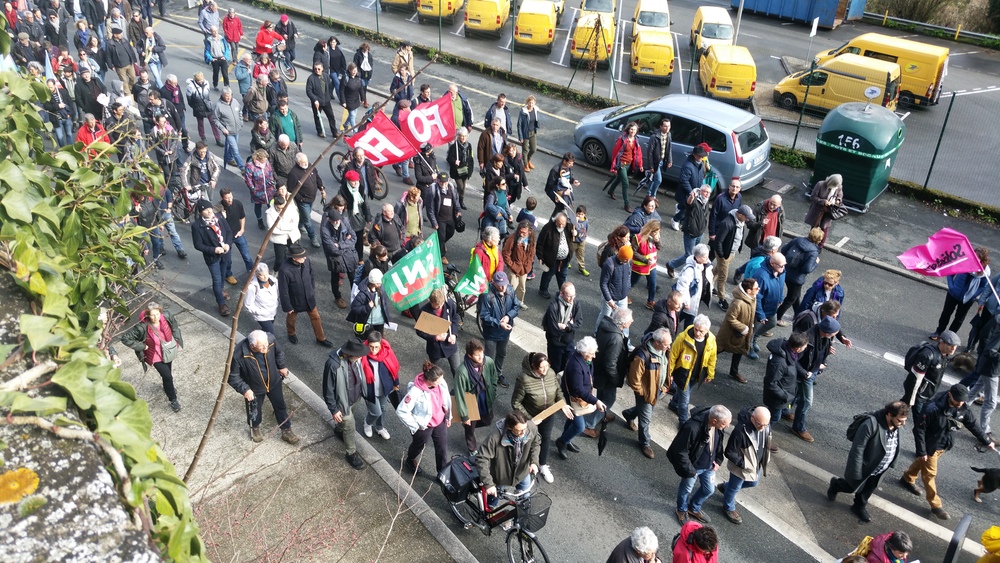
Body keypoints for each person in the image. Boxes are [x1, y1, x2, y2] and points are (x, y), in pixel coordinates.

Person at [899, 383, 996, 520]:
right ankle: (936, 505)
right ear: (950, 395)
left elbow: (972, 424)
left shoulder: (962, 407)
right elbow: (919, 429)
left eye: (963, 401)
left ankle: (907, 478)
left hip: (944, 445)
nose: (960, 404)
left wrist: (986, 441)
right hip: (931, 447)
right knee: (930, 475)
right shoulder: (932, 408)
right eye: (958, 400)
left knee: (923, 463)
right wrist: (922, 451)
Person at [827, 401, 910, 523]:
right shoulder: (870, 424)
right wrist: (856, 472)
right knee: (851, 487)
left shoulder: (896, 425)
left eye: (905, 420)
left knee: (868, 489)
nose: (903, 424)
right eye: (900, 420)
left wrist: (891, 462)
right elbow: (857, 449)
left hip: (880, 469)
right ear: (889, 414)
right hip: (865, 467)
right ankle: (836, 485)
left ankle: (859, 506)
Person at [228, 330, 300, 445]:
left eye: (266, 344)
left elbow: (279, 353)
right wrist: (245, 390)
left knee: (280, 406)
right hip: (254, 388)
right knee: (254, 410)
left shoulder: (270, 339)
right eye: (262, 346)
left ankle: (286, 430)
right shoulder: (239, 354)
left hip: (274, 382)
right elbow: (233, 377)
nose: (266, 348)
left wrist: (281, 366)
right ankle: (255, 427)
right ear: (252, 346)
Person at [512, 352, 572, 485]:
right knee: (526, 440)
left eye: (547, 366)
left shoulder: (551, 373)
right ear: (533, 366)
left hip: (548, 414)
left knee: (545, 439)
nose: (545, 370)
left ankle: (542, 465)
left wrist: (562, 404)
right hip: (530, 417)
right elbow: (516, 402)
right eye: (542, 367)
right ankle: (522, 466)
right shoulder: (523, 379)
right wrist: (530, 419)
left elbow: (558, 391)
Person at [667, 404, 731, 525]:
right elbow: (680, 451)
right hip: (694, 467)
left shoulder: (718, 427)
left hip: (709, 466)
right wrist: (691, 471)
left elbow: (718, 444)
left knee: (709, 490)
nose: (727, 427)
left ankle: (693, 508)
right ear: (714, 421)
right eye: (724, 424)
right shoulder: (692, 427)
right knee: (686, 490)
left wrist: (718, 460)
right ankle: (681, 510)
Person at [120, 301, 183, 412]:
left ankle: (167, 386)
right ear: (148, 315)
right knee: (168, 376)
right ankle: (173, 399)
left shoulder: (167, 316)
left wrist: (177, 340)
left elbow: (175, 327)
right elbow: (125, 338)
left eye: (157, 314)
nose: (156, 317)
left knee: (167, 374)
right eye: (153, 315)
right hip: (155, 355)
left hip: (168, 351)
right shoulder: (142, 326)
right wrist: (142, 346)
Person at [622, 328, 673, 459]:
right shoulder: (642, 355)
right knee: (646, 419)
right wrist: (643, 393)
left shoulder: (664, 350)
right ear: (657, 342)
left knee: (645, 410)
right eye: (666, 344)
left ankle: (629, 414)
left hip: (658, 390)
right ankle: (645, 443)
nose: (669, 347)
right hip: (646, 393)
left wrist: (665, 385)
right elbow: (634, 379)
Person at [791, 315, 841, 443]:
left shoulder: (825, 337)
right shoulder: (807, 339)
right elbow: (794, 359)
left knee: (797, 394)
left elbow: (820, 353)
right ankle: (798, 428)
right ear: (826, 332)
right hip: (806, 373)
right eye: (834, 333)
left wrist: (823, 360)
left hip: (811, 371)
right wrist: (805, 373)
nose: (835, 335)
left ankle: (786, 410)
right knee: (807, 402)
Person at [322, 338, 369, 470]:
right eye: (358, 355)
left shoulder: (354, 359)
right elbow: (327, 389)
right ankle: (351, 453)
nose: (360, 358)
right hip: (342, 405)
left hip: (355, 399)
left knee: (344, 424)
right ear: (348, 353)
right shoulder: (333, 364)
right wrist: (333, 409)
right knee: (350, 426)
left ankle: (338, 430)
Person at [397, 362, 452, 476]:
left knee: (442, 448)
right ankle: (410, 459)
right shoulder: (415, 391)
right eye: (438, 381)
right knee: (418, 446)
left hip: (439, 420)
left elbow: (446, 399)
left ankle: (442, 473)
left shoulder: (441, 382)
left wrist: (448, 416)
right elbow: (401, 410)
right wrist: (415, 426)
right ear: (430, 381)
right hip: (424, 425)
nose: (442, 381)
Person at [556, 337, 606, 459]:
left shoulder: (583, 359)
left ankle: (566, 440)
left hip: (578, 398)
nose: (594, 356)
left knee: (571, 420)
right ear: (583, 352)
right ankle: (562, 441)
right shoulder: (575, 365)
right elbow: (578, 389)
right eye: (591, 353)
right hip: (573, 398)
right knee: (579, 427)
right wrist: (596, 401)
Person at [720, 406, 771, 524]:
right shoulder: (740, 430)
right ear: (752, 417)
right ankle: (728, 507)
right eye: (759, 424)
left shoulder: (764, 425)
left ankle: (726, 488)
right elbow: (729, 452)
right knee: (734, 487)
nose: (762, 428)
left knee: (753, 483)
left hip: (756, 464)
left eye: (766, 425)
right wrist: (744, 464)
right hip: (742, 467)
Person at [588, 307, 633, 438]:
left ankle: (602, 414)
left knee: (602, 395)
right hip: (607, 375)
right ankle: (589, 424)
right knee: (609, 399)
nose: (632, 321)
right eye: (630, 320)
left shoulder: (605, 326)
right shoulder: (616, 338)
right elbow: (610, 363)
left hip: (599, 369)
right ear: (623, 323)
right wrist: (615, 379)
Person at [278, 244, 333, 347]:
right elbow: (283, 290)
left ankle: (321, 338)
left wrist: (312, 290)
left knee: (316, 317)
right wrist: (287, 306)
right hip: (295, 299)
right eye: (302, 256)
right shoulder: (284, 270)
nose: (305, 257)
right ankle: (291, 333)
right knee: (291, 319)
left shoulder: (306, 261)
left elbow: (311, 275)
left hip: (308, 297)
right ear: (294, 258)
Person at [930, 247, 991, 339]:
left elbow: (983, 286)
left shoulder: (985, 272)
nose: (973, 259)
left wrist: (973, 295)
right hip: (953, 294)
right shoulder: (962, 262)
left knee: (959, 319)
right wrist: (951, 287)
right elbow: (950, 273)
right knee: (946, 313)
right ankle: (939, 332)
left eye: (977, 258)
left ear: (982, 260)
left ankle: (949, 337)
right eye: (973, 256)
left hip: (967, 299)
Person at [668, 315, 717, 425]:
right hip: (682, 374)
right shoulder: (682, 338)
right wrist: (669, 373)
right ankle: (683, 422)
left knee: (684, 392)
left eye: (701, 331)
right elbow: (672, 356)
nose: (698, 333)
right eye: (696, 329)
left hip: (697, 375)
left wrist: (710, 374)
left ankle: (673, 404)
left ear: (707, 330)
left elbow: (712, 358)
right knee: (685, 400)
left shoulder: (711, 340)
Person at [453, 339, 500, 454]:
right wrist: (464, 416)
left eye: (482, 353)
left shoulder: (488, 361)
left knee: (488, 420)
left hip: (485, 397)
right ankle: (472, 448)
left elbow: (494, 377)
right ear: (469, 355)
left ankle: (468, 427)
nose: (481, 357)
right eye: (477, 355)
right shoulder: (462, 371)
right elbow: (459, 394)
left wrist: (493, 391)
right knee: (470, 426)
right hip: (471, 400)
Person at [190, 199, 233, 316]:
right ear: (201, 213)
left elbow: (229, 232)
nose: (209, 211)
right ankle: (221, 303)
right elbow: (198, 245)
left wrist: (228, 244)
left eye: (210, 208)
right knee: (217, 279)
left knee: (223, 275)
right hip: (212, 257)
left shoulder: (219, 217)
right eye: (205, 210)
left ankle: (221, 290)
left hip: (225, 253)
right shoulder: (197, 226)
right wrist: (213, 250)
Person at [901, 331, 959, 412]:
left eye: (955, 346)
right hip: (919, 394)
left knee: (900, 408)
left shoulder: (945, 355)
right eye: (950, 345)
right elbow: (915, 378)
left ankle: (890, 413)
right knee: (919, 418)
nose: (953, 348)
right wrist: (910, 399)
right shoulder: (927, 355)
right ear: (941, 342)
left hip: (927, 392)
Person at [775, 228, 823, 324]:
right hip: (797, 278)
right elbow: (807, 269)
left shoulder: (797, 240)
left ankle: (798, 313)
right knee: (791, 298)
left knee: (796, 295)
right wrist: (816, 263)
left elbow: (784, 250)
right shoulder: (813, 252)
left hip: (786, 271)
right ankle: (777, 317)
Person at [481, 271, 520, 388]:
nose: (503, 288)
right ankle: (487, 377)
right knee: (489, 358)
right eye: (500, 285)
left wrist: (508, 316)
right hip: (491, 333)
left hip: (505, 332)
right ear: (494, 283)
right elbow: (484, 316)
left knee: (502, 353)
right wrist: (499, 323)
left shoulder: (510, 290)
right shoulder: (486, 295)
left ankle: (498, 374)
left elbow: (516, 306)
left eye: (505, 284)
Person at [711, 205, 754, 312]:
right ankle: (721, 299)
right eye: (746, 217)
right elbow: (718, 241)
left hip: (731, 253)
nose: (747, 219)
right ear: (740, 215)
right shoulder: (727, 223)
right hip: (725, 254)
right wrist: (722, 255)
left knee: (718, 269)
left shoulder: (740, 221)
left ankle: (708, 283)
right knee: (723, 276)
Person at [717, 279, 758, 382]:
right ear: (749, 290)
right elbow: (730, 318)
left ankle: (734, 372)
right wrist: (743, 328)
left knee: (740, 350)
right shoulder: (738, 303)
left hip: (741, 334)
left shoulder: (752, 298)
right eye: (756, 288)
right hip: (730, 333)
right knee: (718, 348)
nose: (758, 289)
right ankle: (701, 362)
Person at [360, 331, 398, 440]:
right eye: (371, 347)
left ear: (381, 345)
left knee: (383, 409)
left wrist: (396, 383)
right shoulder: (362, 355)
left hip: (384, 388)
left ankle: (379, 427)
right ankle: (367, 423)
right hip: (370, 390)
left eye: (376, 347)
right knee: (376, 412)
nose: (373, 350)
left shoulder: (387, 352)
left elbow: (393, 368)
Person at [667, 185, 712, 277]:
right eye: (705, 192)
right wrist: (691, 197)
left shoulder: (706, 202)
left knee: (696, 254)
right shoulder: (695, 199)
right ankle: (671, 265)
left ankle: (693, 271)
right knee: (689, 255)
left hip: (700, 232)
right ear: (700, 191)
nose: (707, 194)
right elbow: (689, 203)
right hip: (690, 232)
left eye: (708, 192)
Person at [415, 287, 462, 377]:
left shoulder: (449, 304)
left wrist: (454, 334)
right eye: (436, 306)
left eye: (441, 304)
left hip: (450, 344)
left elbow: (455, 318)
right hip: (435, 348)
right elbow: (419, 331)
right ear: (430, 302)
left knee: (457, 371)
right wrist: (435, 337)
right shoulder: (424, 311)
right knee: (434, 374)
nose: (440, 307)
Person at [750, 253, 787, 353]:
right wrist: (760, 314)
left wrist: (781, 298)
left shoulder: (781, 271)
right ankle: (748, 345)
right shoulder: (761, 276)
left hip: (771, 307)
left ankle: (754, 338)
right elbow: (757, 297)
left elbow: (780, 286)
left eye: (784, 265)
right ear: (772, 264)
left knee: (772, 323)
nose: (783, 268)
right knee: (753, 328)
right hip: (761, 308)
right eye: (781, 266)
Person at [542, 282, 582, 373]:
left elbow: (579, 322)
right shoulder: (553, 307)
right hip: (556, 344)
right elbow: (553, 330)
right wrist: (571, 325)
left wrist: (566, 327)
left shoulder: (575, 303)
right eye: (569, 296)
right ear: (561, 293)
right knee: (554, 368)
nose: (572, 299)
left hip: (569, 342)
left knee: (568, 367)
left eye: (573, 295)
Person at [603, 121, 643, 213]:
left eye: (635, 130)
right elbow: (615, 152)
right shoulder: (622, 139)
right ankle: (627, 204)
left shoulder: (636, 140)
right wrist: (614, 167)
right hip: (621, 164)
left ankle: (611, 190)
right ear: (628, 129)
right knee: (626, 183)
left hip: (628, 164)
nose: (633, 131)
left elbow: (638, 153)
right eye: (631, 129)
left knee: (619, 179)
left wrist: (640, 165)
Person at [672, 244, 713, 329]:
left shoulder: (706, 266)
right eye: (704, 257)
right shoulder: (690, 270)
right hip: (689, 302)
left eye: (707, 255)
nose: (707, 258)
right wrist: (686, 302)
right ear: (697, 257)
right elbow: (682, 287)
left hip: (695, 301)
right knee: (681, 320)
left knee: (685, 320)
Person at [536, 212, 575, 300]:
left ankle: (564, 293)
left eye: (563, 224)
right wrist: (540, 257)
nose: (561, 226)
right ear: (555, 221)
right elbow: (540, 243)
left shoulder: (569, 227)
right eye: (559, 223)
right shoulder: (548, 228)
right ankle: (543, 289)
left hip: (564, 260)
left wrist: (576, 233)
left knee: (563, 277)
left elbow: (576, 238)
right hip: (551, 259)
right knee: (547, 276)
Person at [426, 172, 461, 263]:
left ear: (448, 181)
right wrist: (434, 222)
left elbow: (456, 200)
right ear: (437, 180)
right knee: (441, 237)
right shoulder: (433, 189)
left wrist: (458, 210)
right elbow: (429, 208)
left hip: (450, 217)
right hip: (440, 219)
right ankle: (442, 255)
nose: (443, 184)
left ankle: (438, 245)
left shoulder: (451, 187)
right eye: (441, 181)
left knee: (451, 232)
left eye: (445, 182)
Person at [598, 245, 634, 335]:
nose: (628, 261)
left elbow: (629, 275)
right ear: (620, 256)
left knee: (625, 319)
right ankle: (597, 333)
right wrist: (609, 299)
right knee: (605, 316)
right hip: (611, 297)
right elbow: (603, 283)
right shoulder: (609, 264)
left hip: (623, 297)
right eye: (626, 259)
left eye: (629, 259)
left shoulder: (628, 261)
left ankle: (625, 338)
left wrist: (627, 288)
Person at [672, 144, 709, 231]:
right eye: (700, 156)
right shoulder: (688, 165)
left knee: (686, 208)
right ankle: (675, 220)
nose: (702, 158)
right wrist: (691, 191)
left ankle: (681, 216)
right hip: (687, 193)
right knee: (686, 209)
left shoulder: (699, 164)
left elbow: (700, 177)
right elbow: (684, 181)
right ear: (695, 155)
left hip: (695, 191)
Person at [348, 269, 392, 341]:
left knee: (378, 339)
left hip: (379, 320)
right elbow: (354, 307)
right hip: (368, 322)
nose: (380, 284)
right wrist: (367, 307)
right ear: (373, 283)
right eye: (378, 283)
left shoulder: (380, 288)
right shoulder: (362, 294)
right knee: (370, 340)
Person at [804, 173, 845, 250]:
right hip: (817, 211)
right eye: (834, 185)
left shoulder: (839, 186)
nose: (836, 187)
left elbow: (840, 196)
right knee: (814, 229)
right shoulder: (820, 184)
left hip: (828, 212)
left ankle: (820, 247)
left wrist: (838, 200)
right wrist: (823, 201)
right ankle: (810, 244)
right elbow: (813, 197)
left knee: (824, 229)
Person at [219, 188, 253, 280]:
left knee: (247, 256)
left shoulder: (238, 203)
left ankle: (252, 273)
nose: (230, 200)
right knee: (228, 260)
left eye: (231, 197)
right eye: (227, 198)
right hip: (226, 238)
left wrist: (242, 229)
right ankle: (228, 275)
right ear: (222, 198)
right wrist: (222, 217)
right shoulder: (218, 208)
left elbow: (242, 217)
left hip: (238, 234)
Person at [502, 220, 535, 305]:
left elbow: (531, 254)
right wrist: (512, 265)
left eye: (524, 233)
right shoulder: (512, 238)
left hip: (524, 269)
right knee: (511, 287)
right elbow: (506, 253)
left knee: (522, 288)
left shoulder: (531, 240)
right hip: (514, 268)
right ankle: (507, 303)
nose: (521, 234)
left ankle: (519, 302)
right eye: (520, 232)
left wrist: (528, 266)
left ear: (529, 232)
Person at [631, 219, 661, 311]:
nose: (656, 234)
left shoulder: (655, 237)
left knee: (652, 284)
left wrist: (657, 241)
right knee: (632, 283)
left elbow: (659, 247)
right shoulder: (637, 238)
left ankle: (650, 301)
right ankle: (623, 295)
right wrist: (645, 260)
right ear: (650, 230)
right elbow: (633, 252)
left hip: (651, 266)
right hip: (640, 267)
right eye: (655, 232)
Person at [244, 149, 277, 229]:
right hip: (258, 190)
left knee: (271, 205)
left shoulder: (267, 163)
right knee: (258, 205)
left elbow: (270, 172)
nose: (265, 161)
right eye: (264, 159)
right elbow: (248, 179)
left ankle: (273, 220)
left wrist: (272, 182)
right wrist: (252, 188)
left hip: (269, 189)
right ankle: (260, 221)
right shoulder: (250, 165)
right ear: (258, 158)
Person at [265, 195, 299, 270]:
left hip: (292, 236)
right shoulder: (269, 213)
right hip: (279, 240)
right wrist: (288, 227)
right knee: (279, 260)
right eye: (278, 208)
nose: (281, 210)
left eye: (283, 208)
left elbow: (295, 224)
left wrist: (280, 227)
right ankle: (276, 271)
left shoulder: (292, 208)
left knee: (296, 255)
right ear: (275, 205)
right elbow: (273, 230)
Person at [186, 72, 221, 145]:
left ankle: (218, 139)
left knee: (213, 123)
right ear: (195, 80)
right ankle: (203, 137)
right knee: (200, 124)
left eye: (201, 80)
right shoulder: (190, 87)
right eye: (199, 81)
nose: (201, 82)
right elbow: (189, 100)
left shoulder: (206, 83)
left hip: (208, 106)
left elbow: (207, 94)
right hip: (198, 107)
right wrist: (195, 106)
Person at [244, 263, 279, 333]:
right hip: (262, 315)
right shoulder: (252, 287)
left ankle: (258, 336)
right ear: (257, 275)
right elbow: (248, 304)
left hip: (273, 311)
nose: (265, 277)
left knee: (267, 330)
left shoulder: (274, 281)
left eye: (266, 274)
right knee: (270, 332)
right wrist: (259, 312)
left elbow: (278, 293)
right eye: (262, 275)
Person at [306, 62, 337, 137]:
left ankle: (334, 132)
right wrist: (315, 99)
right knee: (317, 117)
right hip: (317, 102)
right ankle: (320, 131)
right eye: (315, 69)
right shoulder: (311, 78)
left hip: (326, 101)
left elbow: (329, 86)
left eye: (319, 69)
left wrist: (329, 96)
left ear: (322, 68)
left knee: (331, 117)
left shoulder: (326, 76)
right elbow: (309, 91)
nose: (317, 70)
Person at [545, 152, 579, 219]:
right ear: (564, 161)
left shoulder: (568, 168)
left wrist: (573, 181)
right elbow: (550, 185)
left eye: (572, 163)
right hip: (557, 194)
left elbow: (568, 178)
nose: (572, 165)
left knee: (558, 211)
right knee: (563, 212)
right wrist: (563, 193)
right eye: (570, 163)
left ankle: (551, 223)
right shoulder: (555, 170)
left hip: (564, 194)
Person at [447, 128, 475, 209]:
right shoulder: (454, 146)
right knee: (460, 187)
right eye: (461, 136)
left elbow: (470, 158)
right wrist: (454, 161)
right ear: (458, 136)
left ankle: (460, 201)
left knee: (463, 188)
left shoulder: (469, 146)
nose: (463, 138)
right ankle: (453, 197)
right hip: (457, 170)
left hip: (465, 169)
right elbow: (449, 158)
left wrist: (470, 170)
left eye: (465, 136)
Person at [645, 118, 672, 198]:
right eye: (665, 126)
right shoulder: (654, 137)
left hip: (662, 161)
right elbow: (650, 152)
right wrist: (651, 166)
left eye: (669, 126)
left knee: (653, 178)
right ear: (661, 126)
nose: (667, 128)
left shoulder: (668, 135)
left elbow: (669, 148)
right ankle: (653, 196)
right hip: (655, 162)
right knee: (658, 180)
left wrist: (670, 160)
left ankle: (648, 194)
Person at [340, 62, 367, 131]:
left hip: (356, 100)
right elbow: (341, 90)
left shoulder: (358, 77)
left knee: (352, 115)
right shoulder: (345, 78)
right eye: (353, 70)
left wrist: (363, 98)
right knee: (352, 116)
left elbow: (361, 88)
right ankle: (355, 132)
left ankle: (346, 124)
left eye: (356, 70)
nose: (355, 72)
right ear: (349, 70)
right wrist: (343, 101)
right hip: (348, 100)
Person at [517, 95, 540, 171]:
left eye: (532, 103)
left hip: (533, 132)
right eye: (529, 103)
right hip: (525, 133)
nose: (531, 104)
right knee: (525, 150)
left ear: (534, 103)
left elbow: (536, 120)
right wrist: (521, 137)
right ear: (527, 103)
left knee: (533, 149)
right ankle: (525, 164)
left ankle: (528, 160)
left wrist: (536, 128)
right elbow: (519, 125)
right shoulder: (523, 112)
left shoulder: (535, 110)